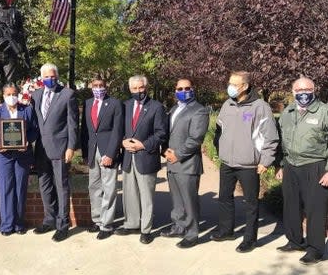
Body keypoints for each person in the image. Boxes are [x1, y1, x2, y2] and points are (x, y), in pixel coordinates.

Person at [212, 71, 278, 253]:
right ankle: (226, 230)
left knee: (251, 204)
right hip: (227, 163)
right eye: (230, 83)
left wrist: (265, 160)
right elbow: (219, 130)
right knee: (225, 198)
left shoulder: (260, 107)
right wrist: (220, 150)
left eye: (235, 84)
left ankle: (250, 239)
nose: (230, 87)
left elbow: (270, 137)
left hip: (249, 165)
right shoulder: (227, 104)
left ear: (246, 86)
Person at [275, 77, 328, 265]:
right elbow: (283, 141)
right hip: (291, 165)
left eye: (307, 88)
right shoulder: (287, 112)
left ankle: (315, 249)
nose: (303, 92)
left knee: (315, 209)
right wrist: (281, 165)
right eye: (299, 89)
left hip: (315, 166)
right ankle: (295, 241)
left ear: (314, 90)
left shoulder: (324, 111)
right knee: (291, 205)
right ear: (293, 91)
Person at [116, 75, 168, 244]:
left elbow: (161, 133)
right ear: (130, 89)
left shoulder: (157, 107)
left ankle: (146, 229)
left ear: (146, 87)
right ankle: (131, 224)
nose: (138, 91)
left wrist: (143, 145)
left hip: (146, 156)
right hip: (128, 158)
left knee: (146, 196)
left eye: (141, 88)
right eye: (134, 89)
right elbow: (119, 129)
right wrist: (122, 141)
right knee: (129, 194)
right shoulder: (125, 105)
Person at [31, 63, 79, 242]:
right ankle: (49, 219)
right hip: (41, 149)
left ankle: (63, 224)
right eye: (46, 77)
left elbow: (73, 123)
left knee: (62, 187)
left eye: (53, 76)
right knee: (45, 186)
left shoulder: (68, 94)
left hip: (60, 149)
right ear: (41, 78)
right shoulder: (35, 95)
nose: (50, 79)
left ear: (57, 76)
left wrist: (71, 147)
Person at [162, 78, 209, 248]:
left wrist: (178, 155)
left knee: (189, 200)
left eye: (187, 88)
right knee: (177, 200)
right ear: (175, 90)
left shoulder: (199, 110)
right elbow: (170, 134)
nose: (183, 91)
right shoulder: (174, 109)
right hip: (172, 162)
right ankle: (179, 226)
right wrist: (166, 151)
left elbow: (195, 138)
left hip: (187, 163)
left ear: (193, 89)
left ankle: (192, 233)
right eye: (180, 88)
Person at [0, 83, 38, 236]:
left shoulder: (27, 110)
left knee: (20, 189)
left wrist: (28, 142)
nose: (12, 97)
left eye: (14, 93)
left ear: (18, 94)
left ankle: (19, 224)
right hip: (3, 156)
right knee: (5, 189)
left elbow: (34, 130)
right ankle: (6, 225)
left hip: (22, 155)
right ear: (3, 96)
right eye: (8, 94)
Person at [80, 77, 123, 240]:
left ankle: (107, 224)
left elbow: (117, 131)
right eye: (95, 86)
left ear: (106, 87)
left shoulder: (115, 103)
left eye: (101, 86)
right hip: (92, 151)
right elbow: (84, 130)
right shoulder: (88, 103)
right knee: (94, 186)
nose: (98, 88)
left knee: (109, 188)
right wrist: (85, 153)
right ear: (91, 87)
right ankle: (97, 220)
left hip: (107, 152)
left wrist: (111, 153)